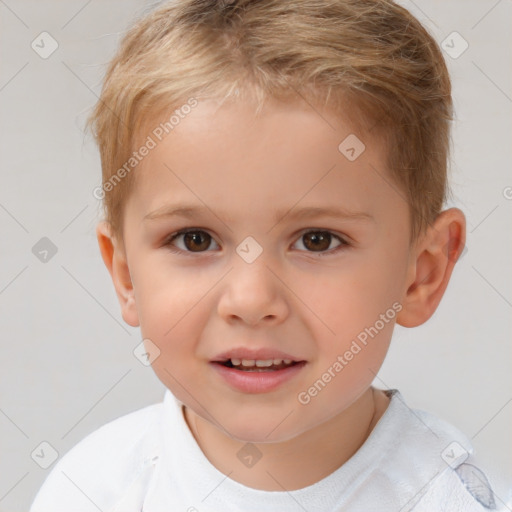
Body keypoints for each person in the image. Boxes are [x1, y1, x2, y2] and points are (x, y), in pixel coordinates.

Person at [30, 0, 503, 510]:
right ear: (125, 276)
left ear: (421, 274)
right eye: (195, 240)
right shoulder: (93, 491)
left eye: (317, 240)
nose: (252, 300)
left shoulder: (452, 499)